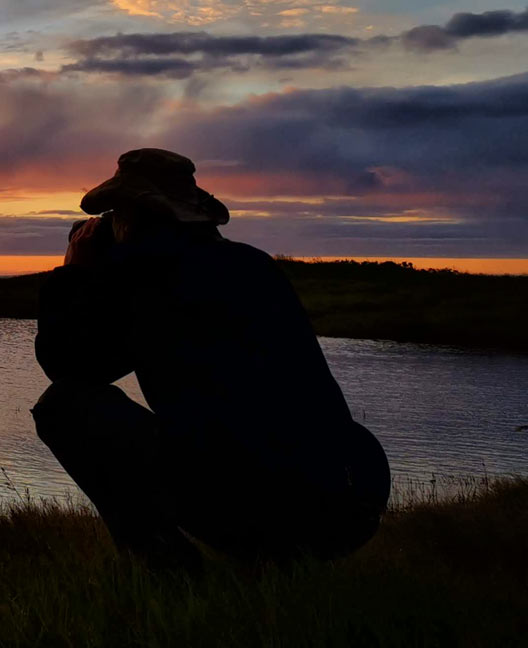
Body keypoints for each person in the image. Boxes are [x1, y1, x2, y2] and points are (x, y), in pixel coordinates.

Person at [32, 148, 389, 566]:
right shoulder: (253, 265)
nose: (111, 224)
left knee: (64, 408)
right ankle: (274, 560)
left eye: (115, 214)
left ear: (136, 216)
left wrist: (74, 275)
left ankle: (172, 576)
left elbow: (68, 368)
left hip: (271, 515)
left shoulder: (150, 282)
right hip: (351, 505)